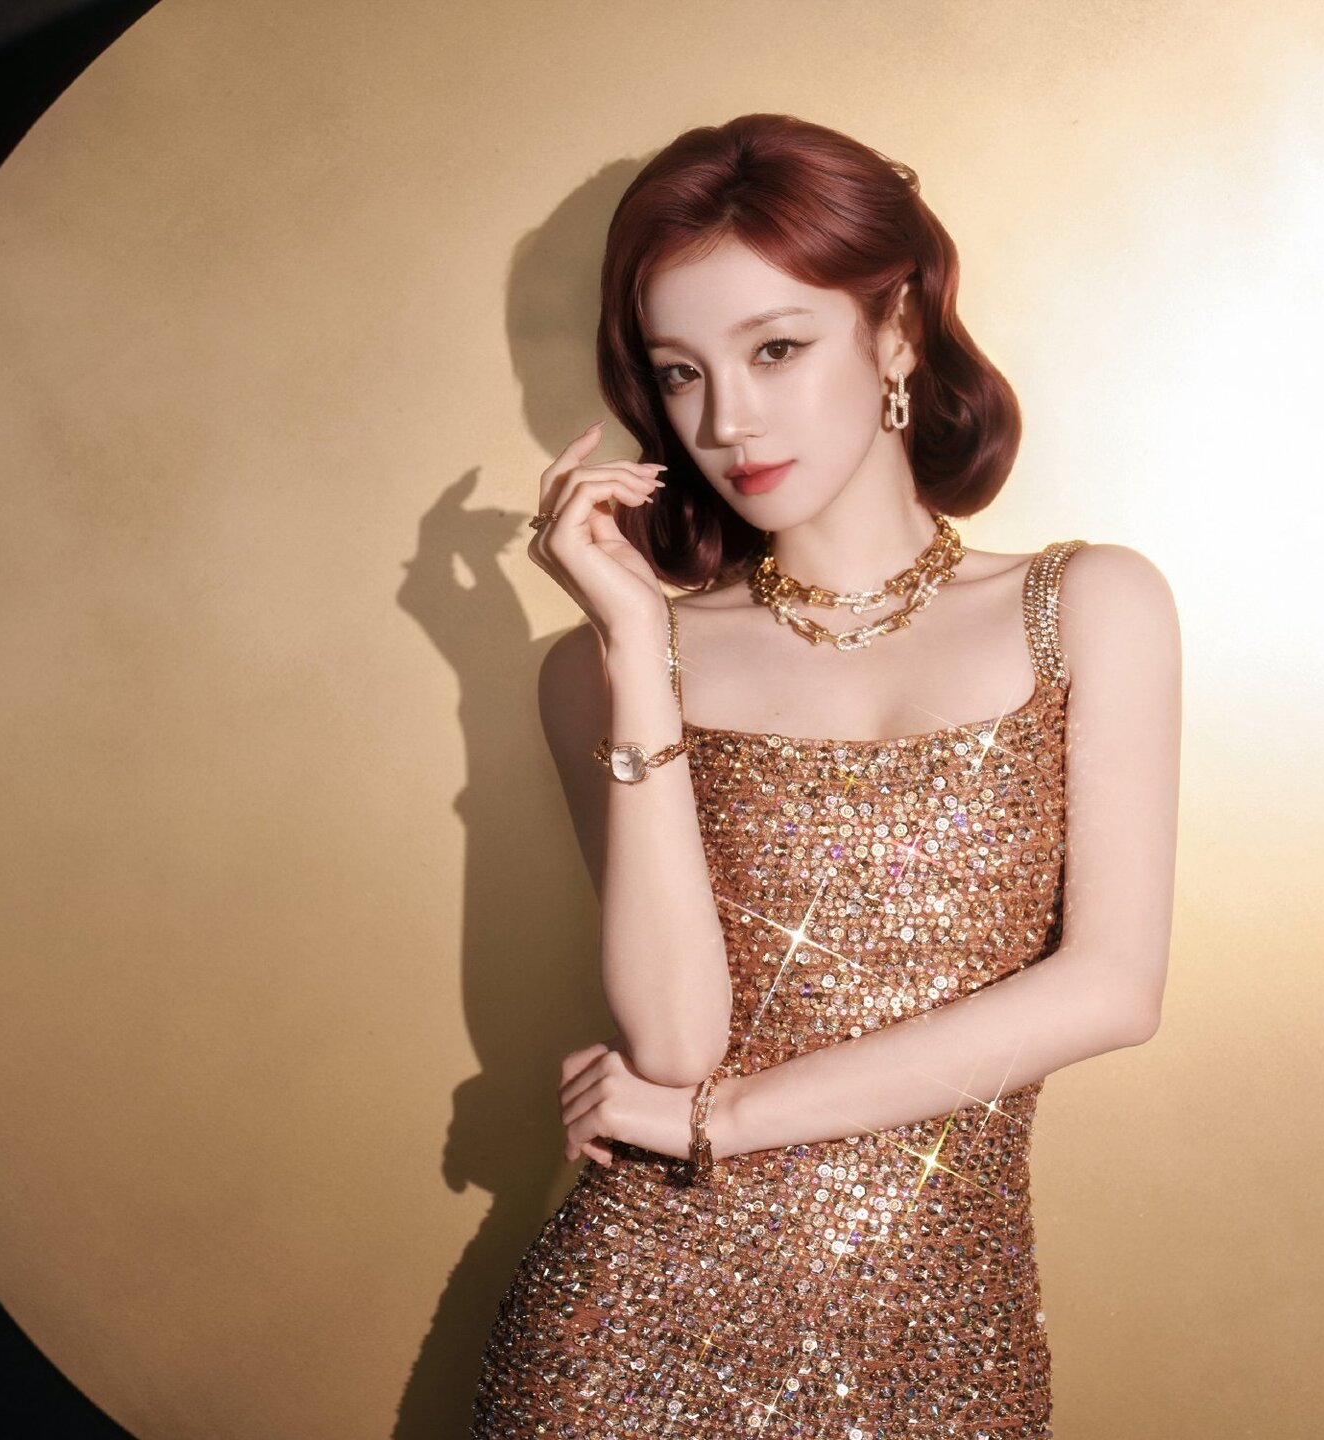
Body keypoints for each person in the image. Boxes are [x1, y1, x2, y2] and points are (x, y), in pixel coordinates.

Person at [471, 112, 1181, 1439]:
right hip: (622, 1351)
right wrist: (637, 652)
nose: (727, 421)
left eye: (776, 349)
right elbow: (675, 1047)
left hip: (944, 1357)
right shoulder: (606, 666)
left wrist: (724, 1121)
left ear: (897, 331)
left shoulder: (1087, 606)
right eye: (679, 373)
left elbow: (1110, 989)